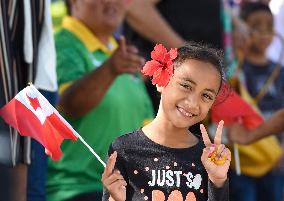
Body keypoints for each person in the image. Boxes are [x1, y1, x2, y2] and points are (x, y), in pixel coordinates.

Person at [46, 0, 154, 201]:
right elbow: (70, 105)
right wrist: (110, 69)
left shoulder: (123, 53)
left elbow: (147, 129)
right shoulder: (61, 43)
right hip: (77, 189)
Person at [101, 43, 231, 201]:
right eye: (186, 86)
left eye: (206, 96)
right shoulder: (123, 150)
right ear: (160, 81)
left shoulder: (209, 158)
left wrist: (218, 181)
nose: (192, 103)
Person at [228, 2, 284, 201]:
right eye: (256, 26)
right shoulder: (236, 72)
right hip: (243, 158)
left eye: (269, 26)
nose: (264, 33)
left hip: (275, 159)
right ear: (242, 28)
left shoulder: (279, 71)